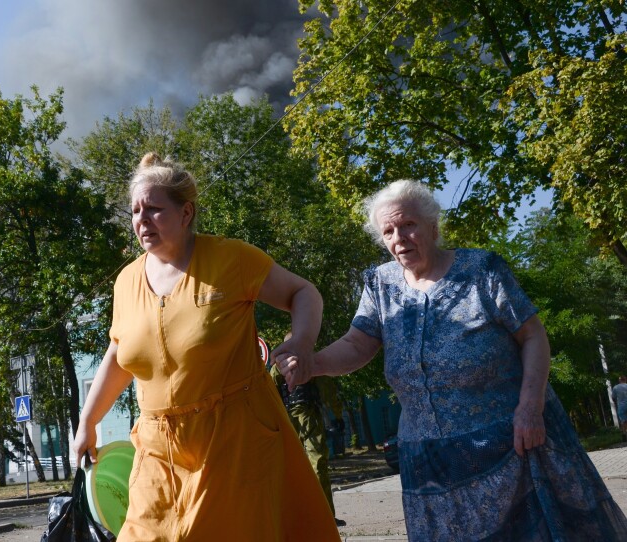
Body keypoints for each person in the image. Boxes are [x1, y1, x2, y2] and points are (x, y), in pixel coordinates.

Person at [277, 179, 627, 541]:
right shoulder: (379, 284)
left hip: (510, 445)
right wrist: (312, 364)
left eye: (408, 225)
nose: (399, 237)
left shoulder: (482, 270)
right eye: (389, 231)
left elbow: (533, 336)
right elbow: (357, 344)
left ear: (433, 226)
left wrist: (530, 408)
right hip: (429, 461)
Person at [73, 153, 340, 541]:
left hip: (235, 439)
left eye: (154, 209)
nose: (141, 220)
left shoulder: (231, 258)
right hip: (156, 447)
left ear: (186, 213)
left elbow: (304, 293)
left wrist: (300, 342)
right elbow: (120, 356)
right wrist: (87, 422)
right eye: (134, 211)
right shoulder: (126, 282)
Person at [269, 333, 345, 526]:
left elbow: (328, 392)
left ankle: (324, 516)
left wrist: (337, 417)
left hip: (309, 415)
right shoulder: (277, 370)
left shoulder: (313, 364)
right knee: (291, 468)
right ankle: (297, 517)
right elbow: (268, 394)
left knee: (318, 463)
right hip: (288, 419)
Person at [613, 376, 627, 441]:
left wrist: (616, 404)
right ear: (625, 379)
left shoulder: (615, 387)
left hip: (621, 406)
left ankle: (624, 434)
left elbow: (613, 398)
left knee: (623, 421)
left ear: (619, 380)